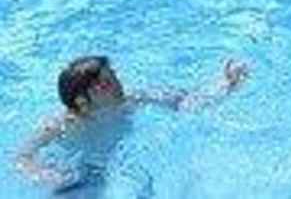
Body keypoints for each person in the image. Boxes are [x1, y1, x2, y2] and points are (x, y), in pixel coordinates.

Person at [17, 55, 248, 191]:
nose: (118, 85)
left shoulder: (134, 100)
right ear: (81, 101)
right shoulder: (61, 124)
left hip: (124, 162)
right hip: (80, 172)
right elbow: (23, 156)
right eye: (107, 83)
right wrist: (42, 174)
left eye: (114, 75)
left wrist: (225, 85)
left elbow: (186, 101)